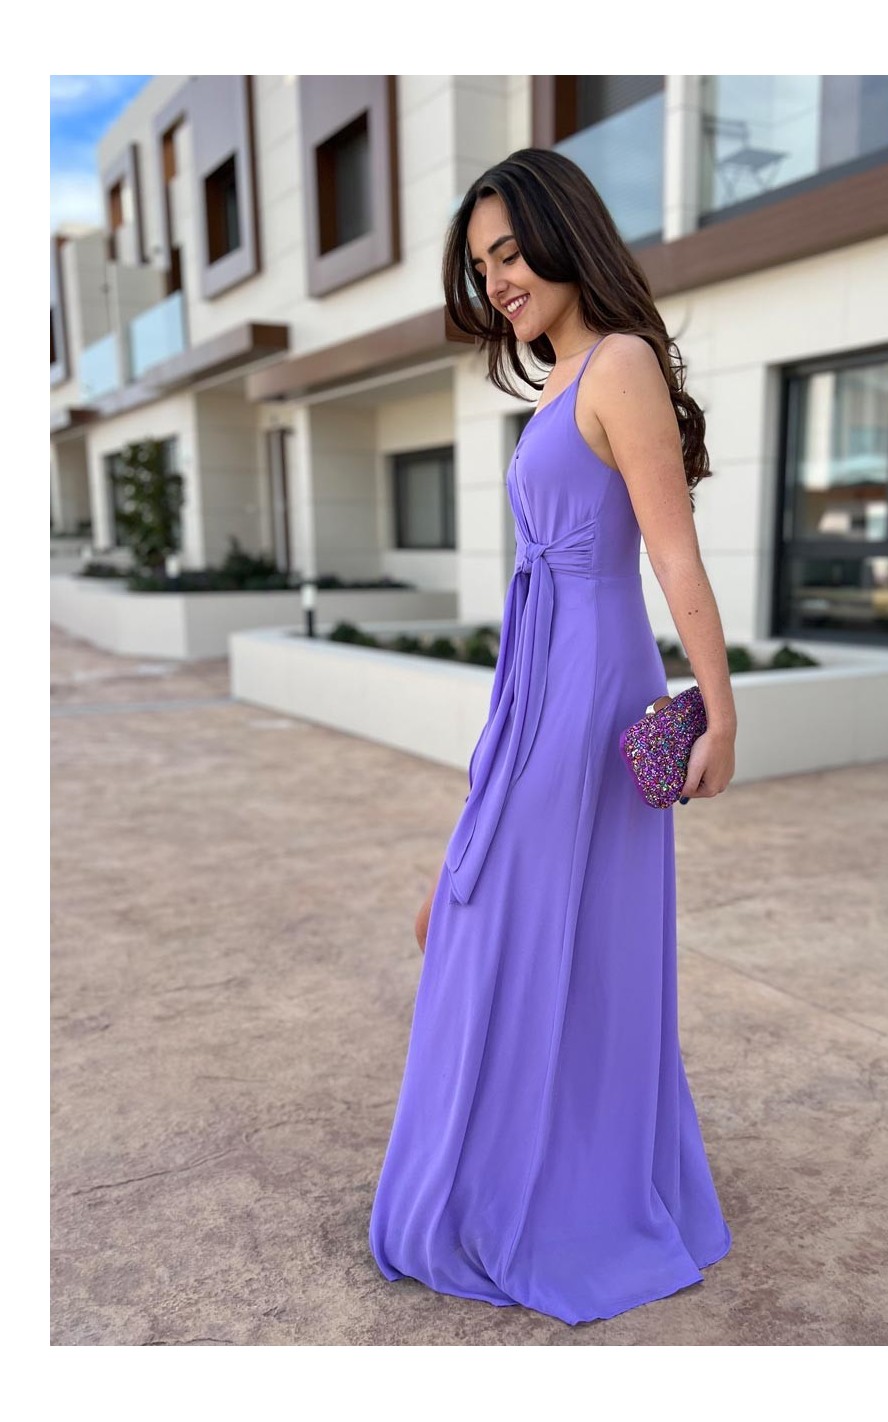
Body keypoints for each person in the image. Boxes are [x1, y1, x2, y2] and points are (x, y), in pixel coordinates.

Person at [368, 148, 737, 1326]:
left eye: (510, 253)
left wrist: (719, 706)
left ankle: (551, 1185)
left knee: (519, 921)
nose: (496, 282)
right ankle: (529, 1165)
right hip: (538, 681)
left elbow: (671, 554)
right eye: (481, 266)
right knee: (484, 912)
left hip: (589, 693)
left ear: (562, 236)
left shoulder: (617, 364)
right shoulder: (560, 381)